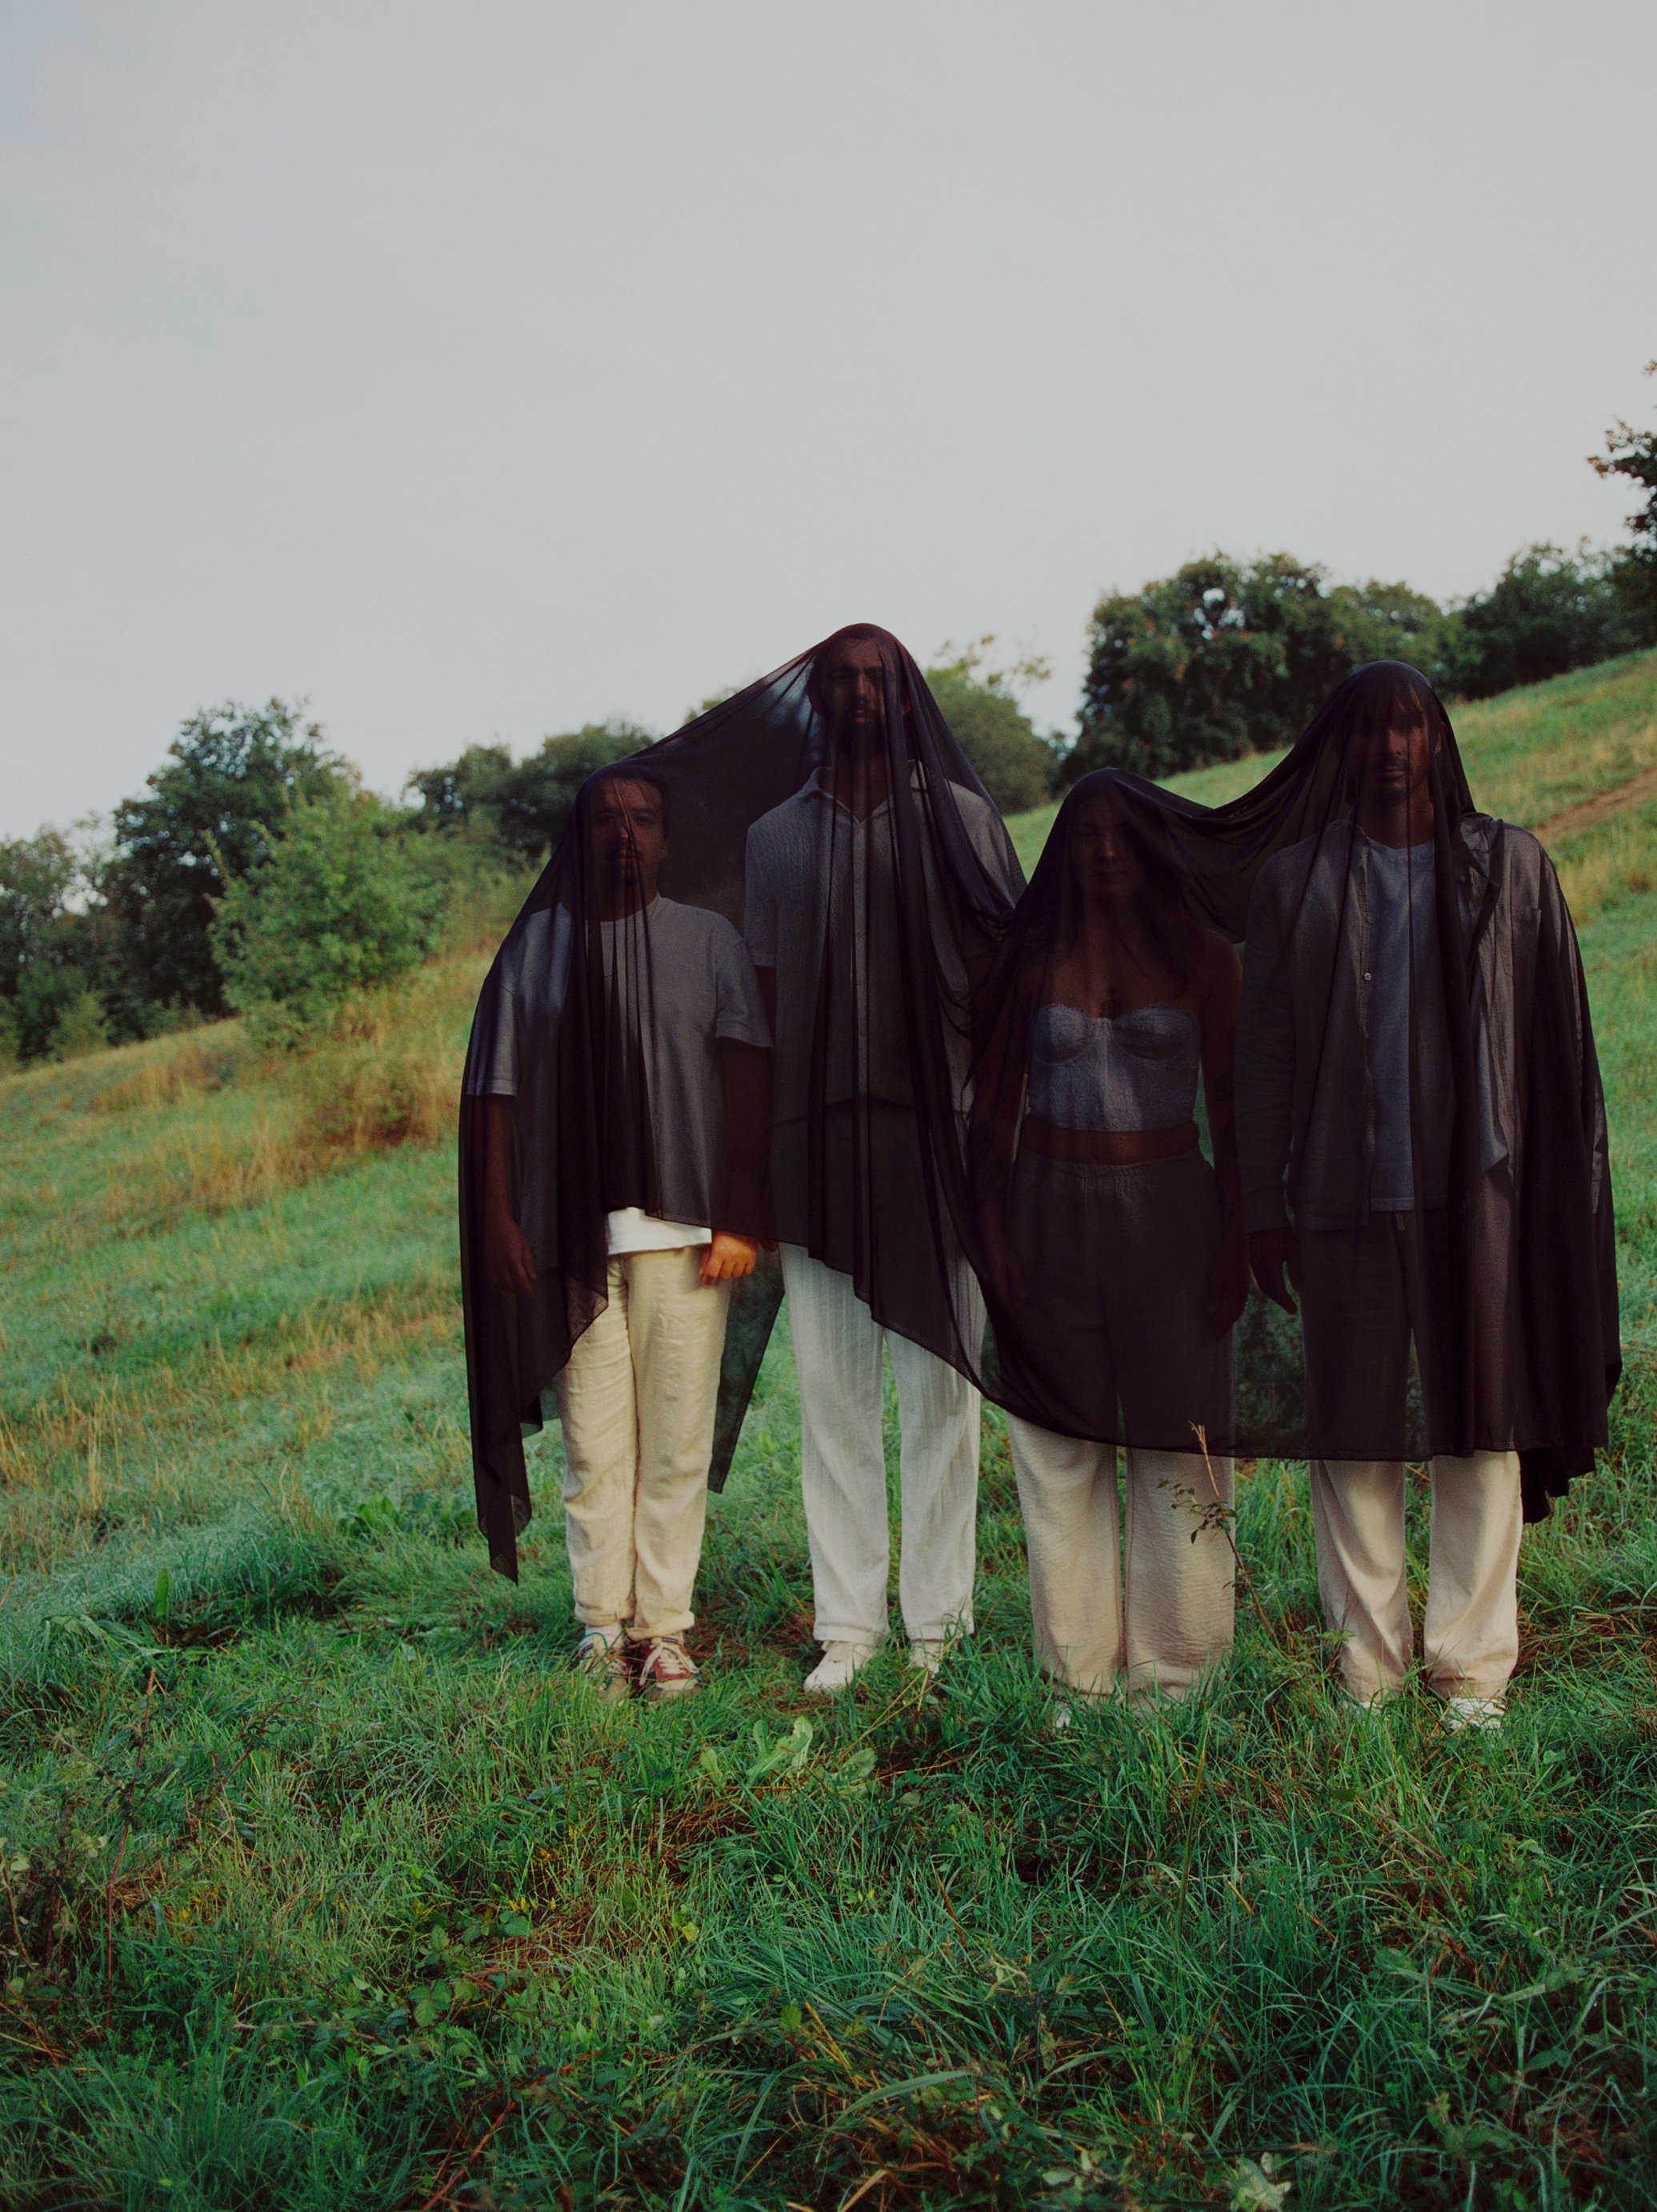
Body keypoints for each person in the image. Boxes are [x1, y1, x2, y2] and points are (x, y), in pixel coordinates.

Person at [1234, 661, 1617, 1729]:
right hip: (1340, 1198)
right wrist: (1260, 1200)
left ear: (1439, 742)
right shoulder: (1294, 880)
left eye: (1411, 729)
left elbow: (1557, 1050)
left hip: (1478, 1203)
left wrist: (1551, 1210)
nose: (1392, 748)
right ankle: (1368, 1669)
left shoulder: (1512, 867)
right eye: (1370, 731)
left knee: (1479, 1426)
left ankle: (1471, 1672)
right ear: (1341, 750)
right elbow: (1261, 1048)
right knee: (1351, 1435)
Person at [742, 626, 1020, 1693]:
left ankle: (939, 1626)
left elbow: (1004, 992)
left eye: (880, 678)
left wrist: (998, 1149)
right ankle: (849, 1627)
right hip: (816, 1143)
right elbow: (763, 1007)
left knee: (942, 1390)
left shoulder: (962, 822)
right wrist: (759, 1167)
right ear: (817, 697)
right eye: (841, 678)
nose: (860, 692)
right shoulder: (774, 838)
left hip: (936, 1141)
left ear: (905, 697)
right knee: (832, 1389)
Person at [468, 770, 771, 1701]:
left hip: (686, 1233)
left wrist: (741, 1215)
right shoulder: (536, 951)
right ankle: (601, 1628)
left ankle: (664, 1630)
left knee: (677, 1440)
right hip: (569, 1235)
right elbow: (496, 1096)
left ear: (667, 839)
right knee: (596, 1444)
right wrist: (497, 1219)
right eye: (606, 820)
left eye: (643, 819)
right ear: (580, 838)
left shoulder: (706, 939)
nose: (625, 835)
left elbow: (745, 1079)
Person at [971, 778, 1247, 1706]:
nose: (1103, 851)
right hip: (1046, 1203)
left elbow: (1236, 1109)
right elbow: (993, 1105)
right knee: (1057, 1444)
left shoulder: (1203, 958)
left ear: (1152, 847)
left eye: (1121, 835)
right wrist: (990, 1228)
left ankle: (1179, 1675)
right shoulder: (1032, 958)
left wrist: (1235, 1235)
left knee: (1184, 1438)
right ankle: (1074, 1680)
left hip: (1171, 1210)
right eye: (1084, 835)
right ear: (1065, 849)